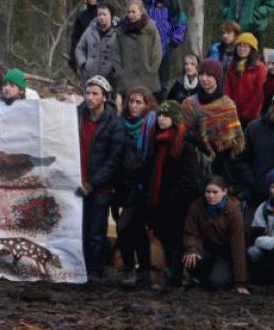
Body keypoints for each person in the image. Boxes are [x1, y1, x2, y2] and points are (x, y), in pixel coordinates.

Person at [145, 101, 204, 290]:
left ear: (175, 119)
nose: (161, 119)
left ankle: (174, 276)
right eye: (160, 115)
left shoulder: (184, 146)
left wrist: (173, 199)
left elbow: (190, 179)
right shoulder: (157, 141)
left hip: (178, 204)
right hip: (160, 200)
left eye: (166, 116)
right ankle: (170, 272)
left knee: (176, 240)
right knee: (164, 238)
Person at [76, 75, 125, 280]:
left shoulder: (114, 124)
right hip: (77, 183)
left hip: (100, 187)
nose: (90, 97)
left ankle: (96, 271)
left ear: (105, 97)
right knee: (80, 230)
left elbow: (113, 160)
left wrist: (93, 183)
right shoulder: (76, 116)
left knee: (97, 232)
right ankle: (80, 268)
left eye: (95, 93)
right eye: (87, 93)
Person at [114, 87, 158, 287]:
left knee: (129, 228)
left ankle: (134, 268)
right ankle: (140, 270)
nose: (133, 106)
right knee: (130, 229)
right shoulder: (120, 125)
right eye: (131, 101)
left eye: (139, 102)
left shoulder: (151, 125)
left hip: (143, 184)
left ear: (146, 104)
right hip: (122, 184)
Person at [182, 176, 249, 294]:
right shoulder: (196, 206)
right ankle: (197, 279)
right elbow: (191, 232)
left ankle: (210, 280)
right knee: (190, 259)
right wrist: (192, 249)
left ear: (224, 192)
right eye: (208, 192)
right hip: (205, 249)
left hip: (224, 253)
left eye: (215, 192)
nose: (211, 196)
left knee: (219, 281)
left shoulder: (233, 212)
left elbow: (238, 247)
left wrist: (240, 282)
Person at [182, 58, 245, 182]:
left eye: (209, 75)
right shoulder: (189, 103)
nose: (204, 79)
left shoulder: (227, 105)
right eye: (201, 74)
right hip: (193, 160)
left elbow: (232, 140)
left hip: (221, 163)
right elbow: (183, 132)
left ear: (217, 77)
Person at [133, 0, 187, 99]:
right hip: (142, 47)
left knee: (161, 84)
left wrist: (175, 39)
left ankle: (159, 114)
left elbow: (180, 19)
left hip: (164, 47)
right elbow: (130, 17)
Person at [117, 0, 161, 98]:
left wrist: (152, 71)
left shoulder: (151, 28)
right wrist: (121, 71)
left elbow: (157, 52)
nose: (130, 15)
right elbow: (116, 52)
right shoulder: (121, 30)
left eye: (133, 12)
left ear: (141, 12)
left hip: (147, 76)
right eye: (128, 12)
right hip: (127, 77)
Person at [223, 32, 267, 128]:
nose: (242, 49)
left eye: (246, 46)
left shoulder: (260, 68)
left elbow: (260, 93)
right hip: (234, 115)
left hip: (253, 117)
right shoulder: (231, 67)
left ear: (252, 49)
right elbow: (227, 91)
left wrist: (249, 113)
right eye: (239, 46)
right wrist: (230, 111)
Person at [74, 2, 121, 88]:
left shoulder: (118, 32)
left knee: (108, 100)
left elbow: (124, 53)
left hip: (110, 76)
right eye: (99, 14)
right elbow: (79, 48)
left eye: (104, 14)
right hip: (90, 74)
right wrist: (84, 63)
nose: (101, 17)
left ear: (111, 15)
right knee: (91, 99)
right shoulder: (90, 29)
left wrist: (115, 69)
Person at [69, 0, 105, 72]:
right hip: (87, 57)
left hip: (105, 57)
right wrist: (74, 58)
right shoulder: (82, 16)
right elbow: (75, 38)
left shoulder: (107, 13)